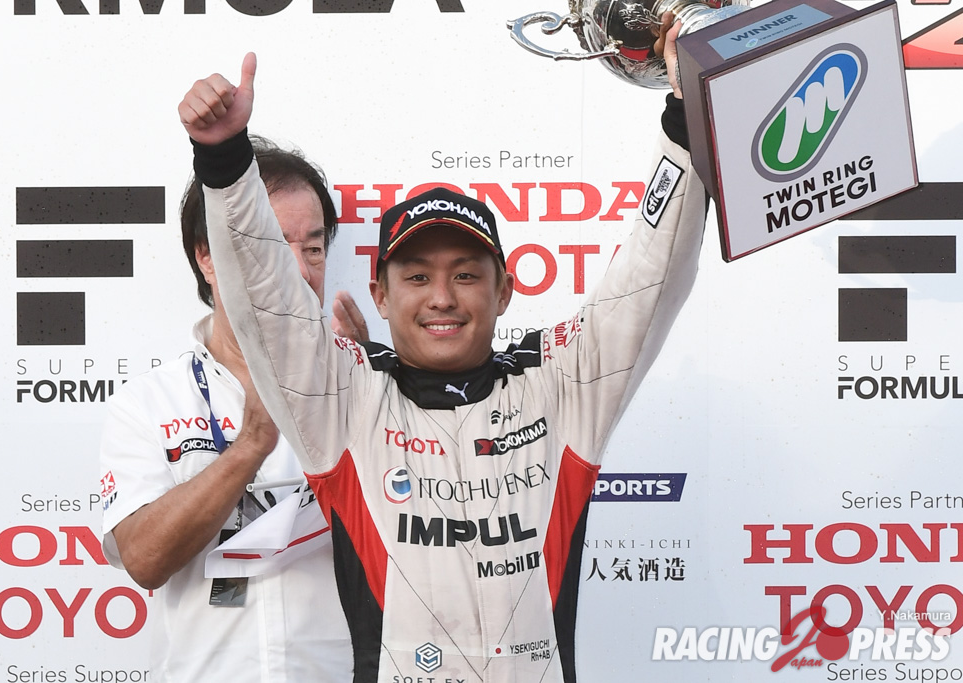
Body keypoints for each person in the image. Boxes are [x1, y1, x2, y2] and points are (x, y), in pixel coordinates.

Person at [180, 19, 705, 682]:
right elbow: (267, 299)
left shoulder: (563, 382)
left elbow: (651, 274)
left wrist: (686, 114)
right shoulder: (345, 398)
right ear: (380, 293)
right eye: (417, 277)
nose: (442, 298)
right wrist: (226, 161)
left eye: (465, 274)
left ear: (504, 290)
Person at [98, 134, 366, 682]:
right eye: (272, 246)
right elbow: (144, 561)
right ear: (207, 257)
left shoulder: (364, 381)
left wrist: (377, 400)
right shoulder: (149, 400)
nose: (299, 270)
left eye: (314, 249)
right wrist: (250, 446)